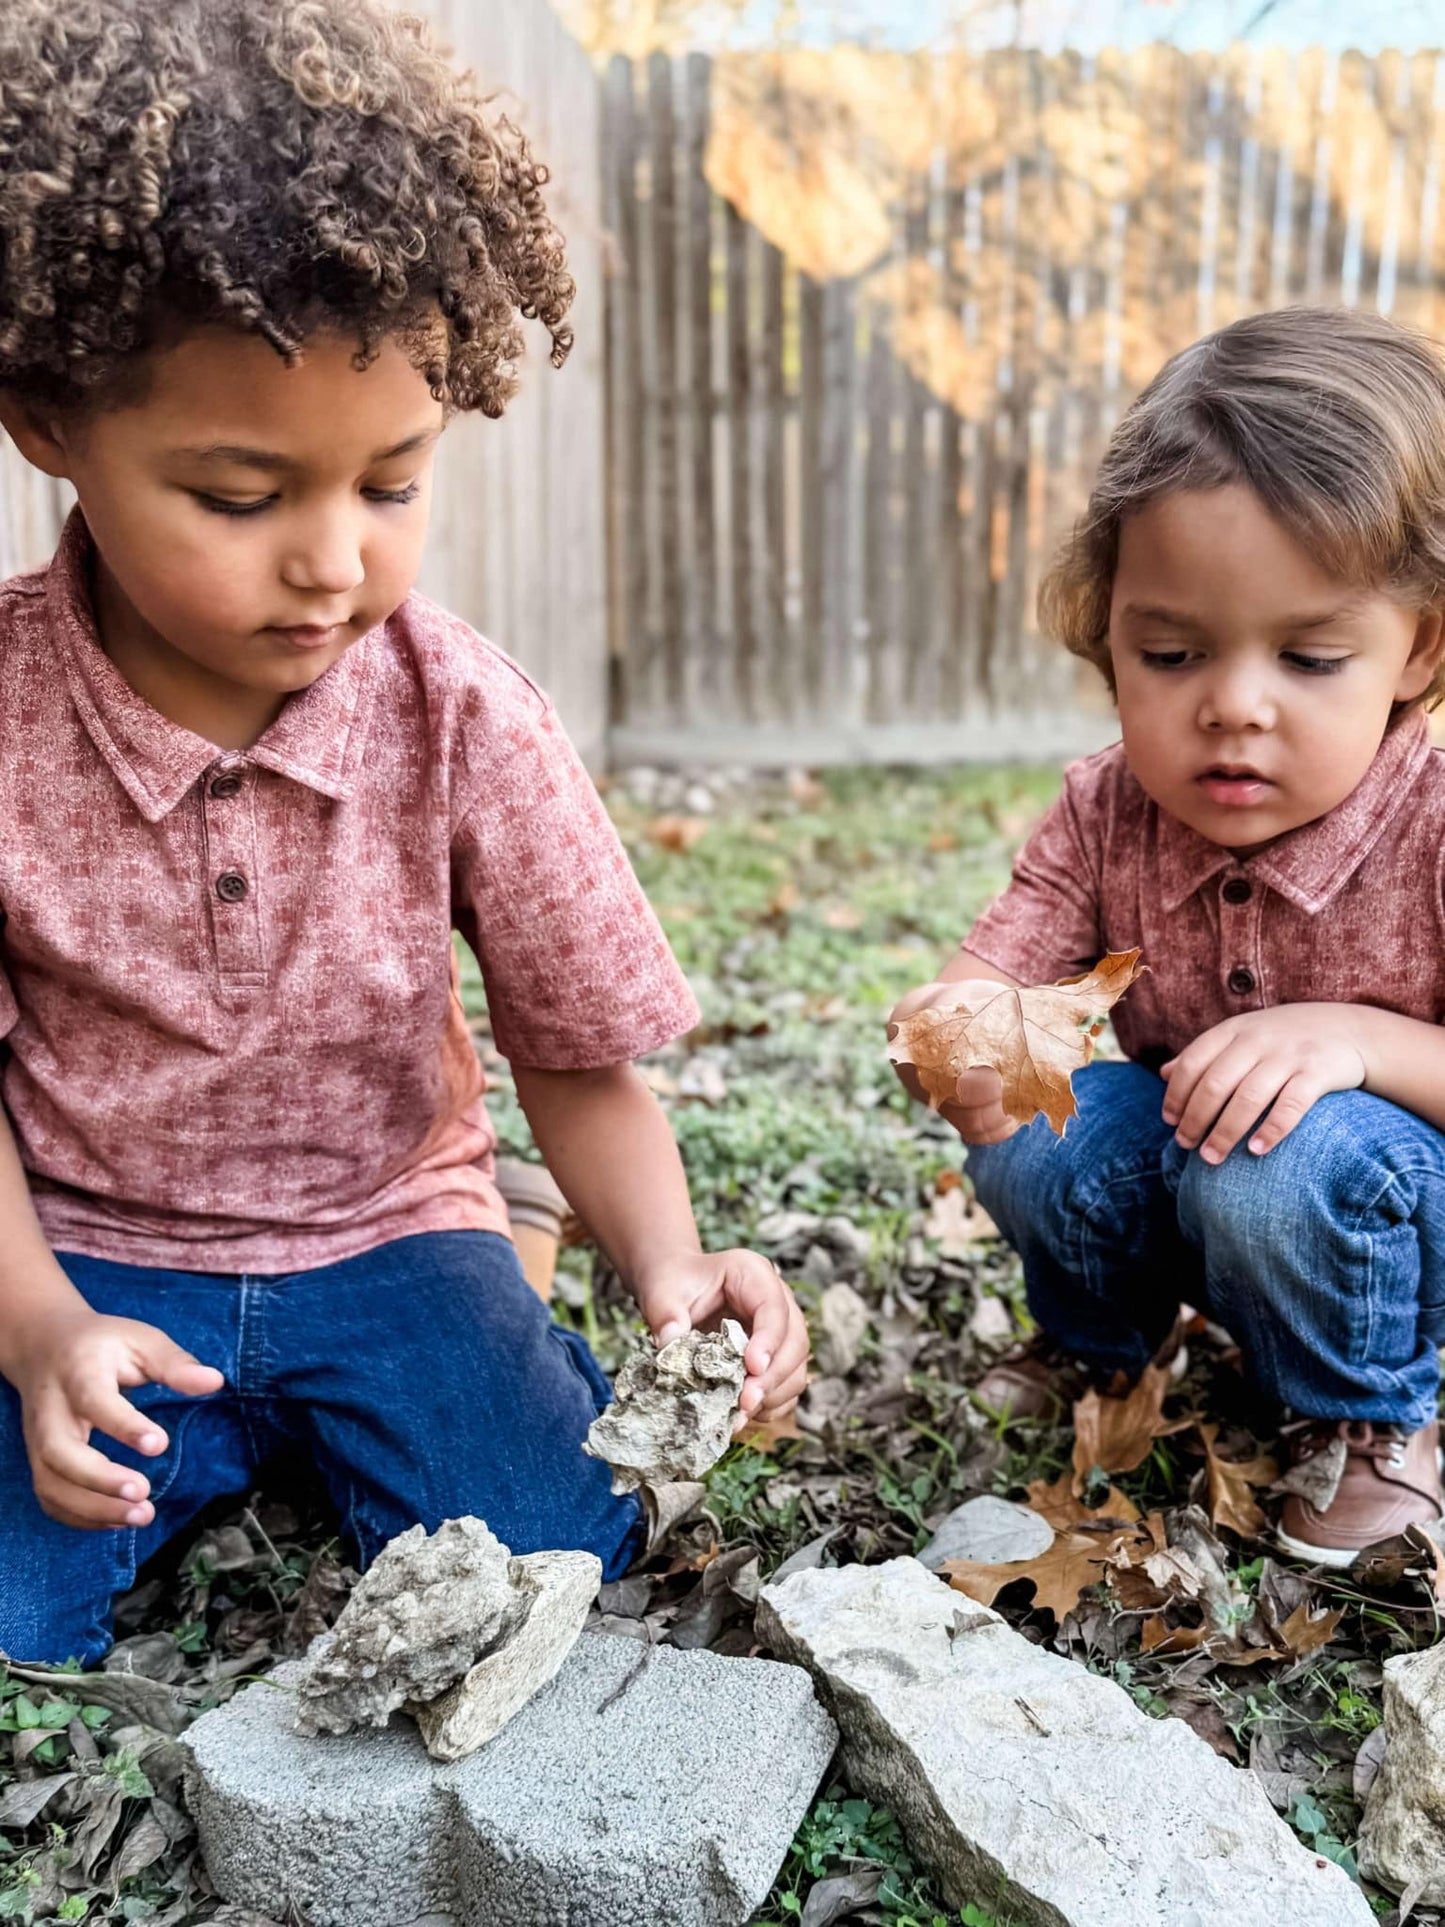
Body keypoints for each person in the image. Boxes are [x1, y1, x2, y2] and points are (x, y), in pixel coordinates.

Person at [0, 0, 808, 1666]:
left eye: (393, 481)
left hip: (388, 1222)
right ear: (49, 420)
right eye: (242, 496)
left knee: (553, 1549)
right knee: (16, 1602)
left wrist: (666, 1265)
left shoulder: (462, 712)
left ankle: (485, 1280)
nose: (331, 560)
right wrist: (40, 1336)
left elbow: (574, 1046)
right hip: (86, 1240)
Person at [891, 306, 1445, 1567]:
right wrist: (954, 1035)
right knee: (1050, 1122)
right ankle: (1103, 1343)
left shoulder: (1432, 830)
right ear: (1109, 635)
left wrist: (1353, 1038)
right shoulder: (1106, 808)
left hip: (1388, 1211)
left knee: (1281, 1146)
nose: (1231, 707)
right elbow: (988, 978)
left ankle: (1369, 1415)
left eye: (1308, 657)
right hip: (1204, 1195)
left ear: (1413, 646)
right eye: (1171, 651)